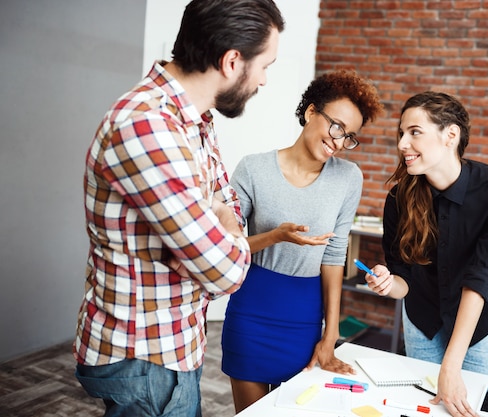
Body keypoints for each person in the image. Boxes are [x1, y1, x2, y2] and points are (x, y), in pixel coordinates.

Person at [73, 1, 285, 416]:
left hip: (172, 342)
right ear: (232, 61)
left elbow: (230, 206)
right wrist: (218, 228)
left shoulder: (194, 119)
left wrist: (218, 220)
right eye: (265, 66)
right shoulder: (147, 124)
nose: (264, 81)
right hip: (145, 353)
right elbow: (223, 271)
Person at [221, 69, 384, 413]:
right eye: (336, 127)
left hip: (304, 316)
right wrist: (275, 236)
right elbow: (224, 247)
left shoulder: (348, 178)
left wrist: (331, 335)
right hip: (251, 311)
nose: (339, 142)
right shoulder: (253, 169)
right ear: (311, 112)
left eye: (349, 136)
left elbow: (334, 258)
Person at [364, 91, 488, 417]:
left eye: (414, 132)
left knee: (471, 407)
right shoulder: (399, 199)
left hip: (477, 325)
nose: (402, 144)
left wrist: (452, 364)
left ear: (451, 135)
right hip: (423, 319)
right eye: (401, 133)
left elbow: (480, 276)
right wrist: (387, 282)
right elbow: (402, 279)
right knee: (423, 406)